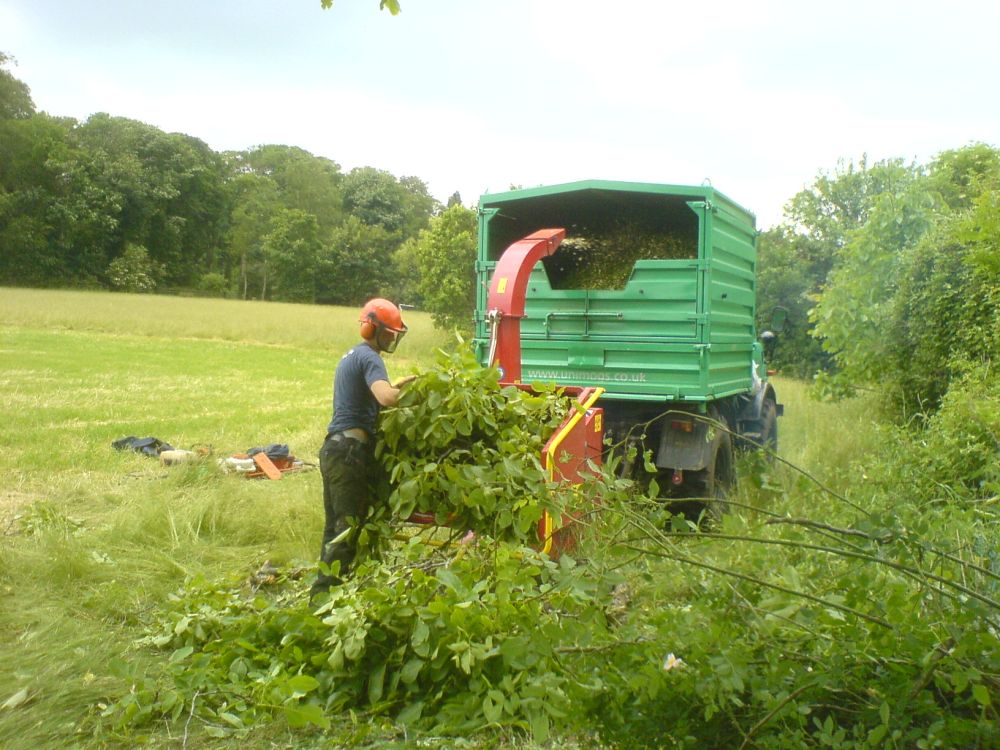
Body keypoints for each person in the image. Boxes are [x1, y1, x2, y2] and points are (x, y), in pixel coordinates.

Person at [310, 298, 417, 599]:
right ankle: (327, 604)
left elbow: (370, 396)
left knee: (335, 531)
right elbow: (386, 397)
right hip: (349, 453)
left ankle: (323, 601)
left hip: (334, 449)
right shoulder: (371, 357)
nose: (393, 338)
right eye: (390, 332)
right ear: (374, 328)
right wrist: (413, 393)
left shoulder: (351, 356)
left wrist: (397, 385)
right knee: (347, 533)